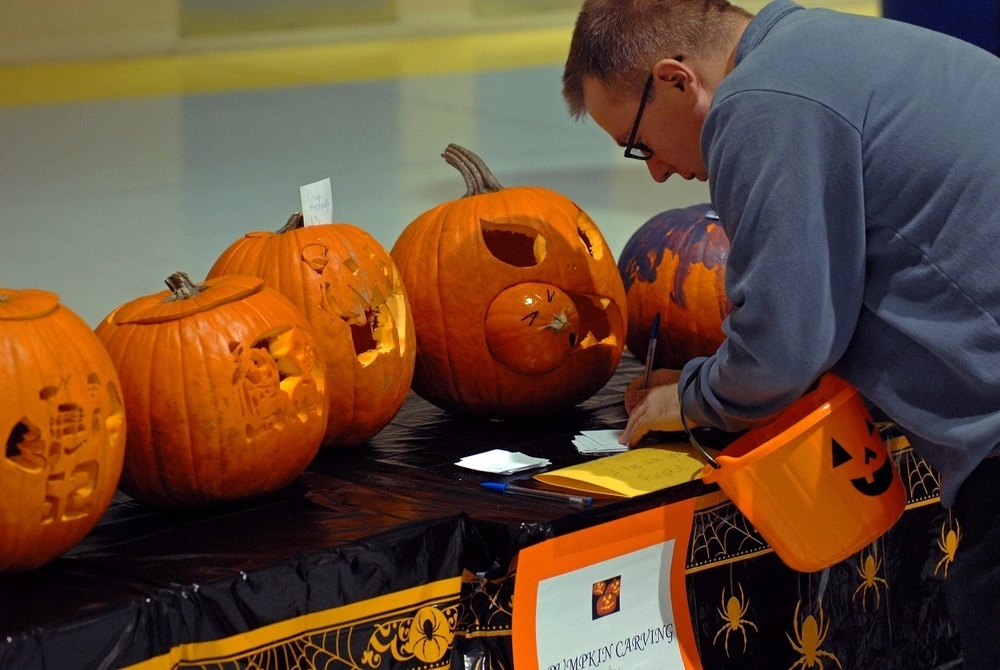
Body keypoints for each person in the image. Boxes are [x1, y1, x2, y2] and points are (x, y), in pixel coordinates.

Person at [562, 1, 1000, 667]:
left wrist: (690, 399)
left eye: (639, 143)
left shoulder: (760, 102)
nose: (652, 172)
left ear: (678, 79)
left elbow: (783, 348)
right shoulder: (821, 42)